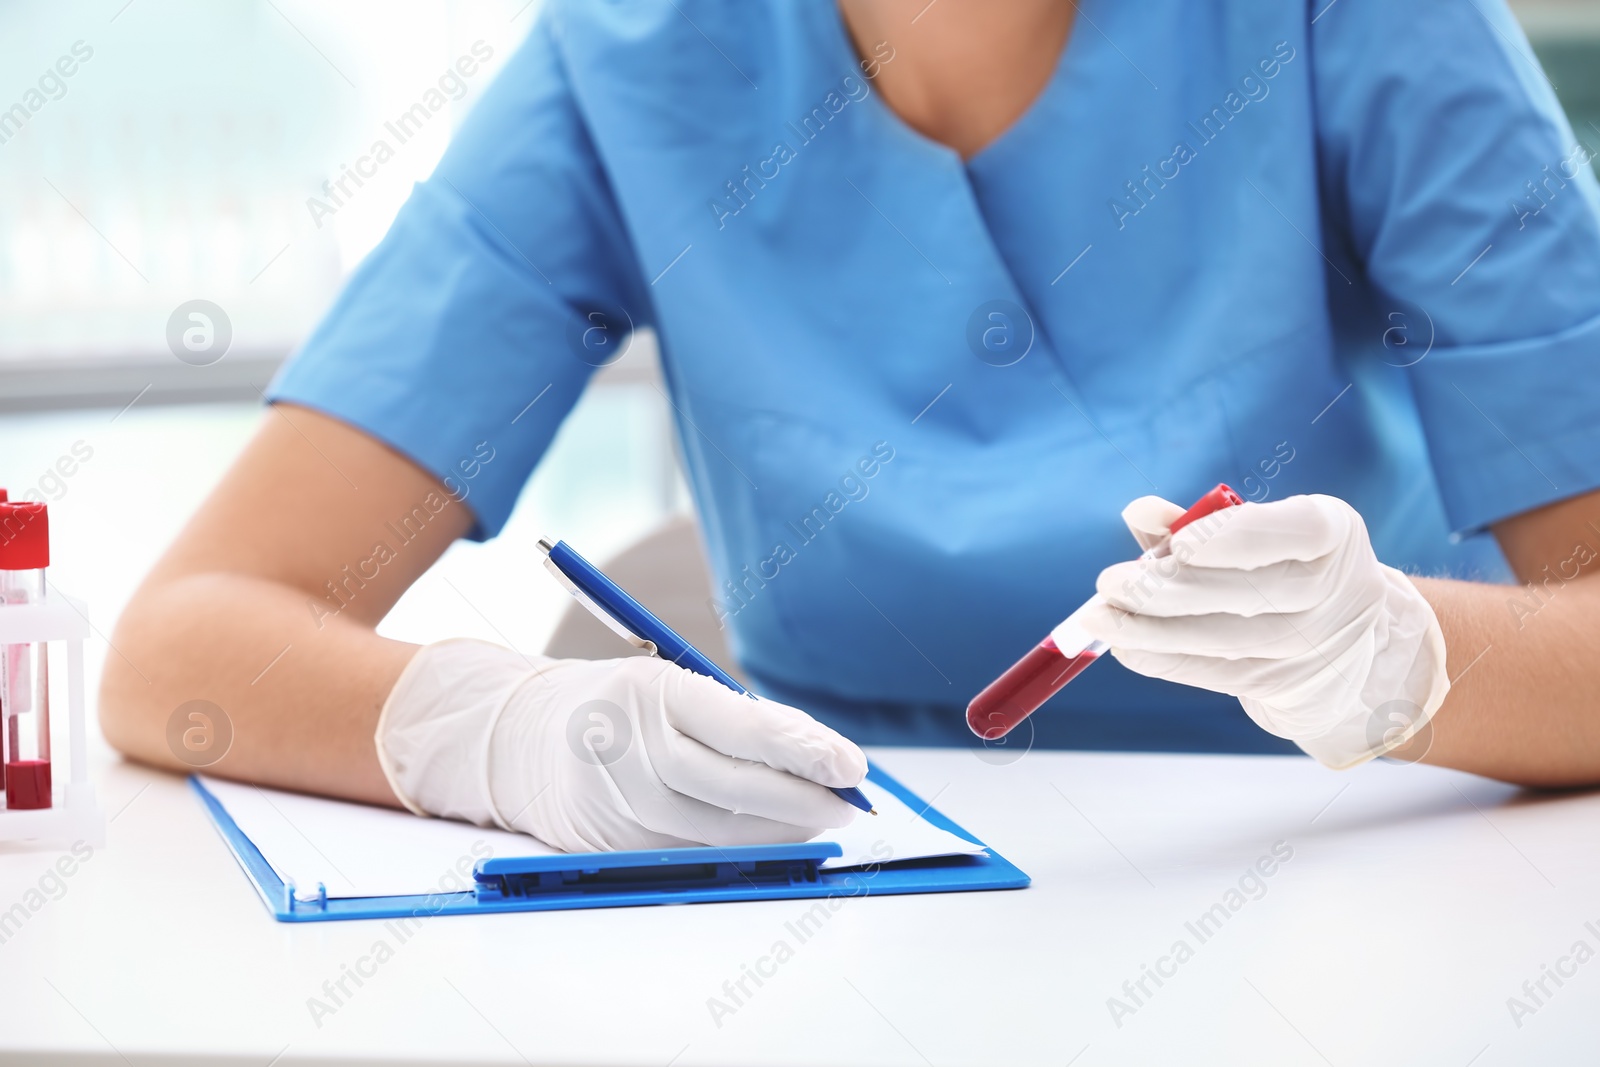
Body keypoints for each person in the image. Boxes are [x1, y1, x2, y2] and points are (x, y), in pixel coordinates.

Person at [101, 0, 1600, 851]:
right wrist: (504, 734)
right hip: (841, 896)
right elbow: (184, 646)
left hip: (1377, 866)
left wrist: (1396, 658)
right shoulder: (630, 59)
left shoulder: (1360, 21)